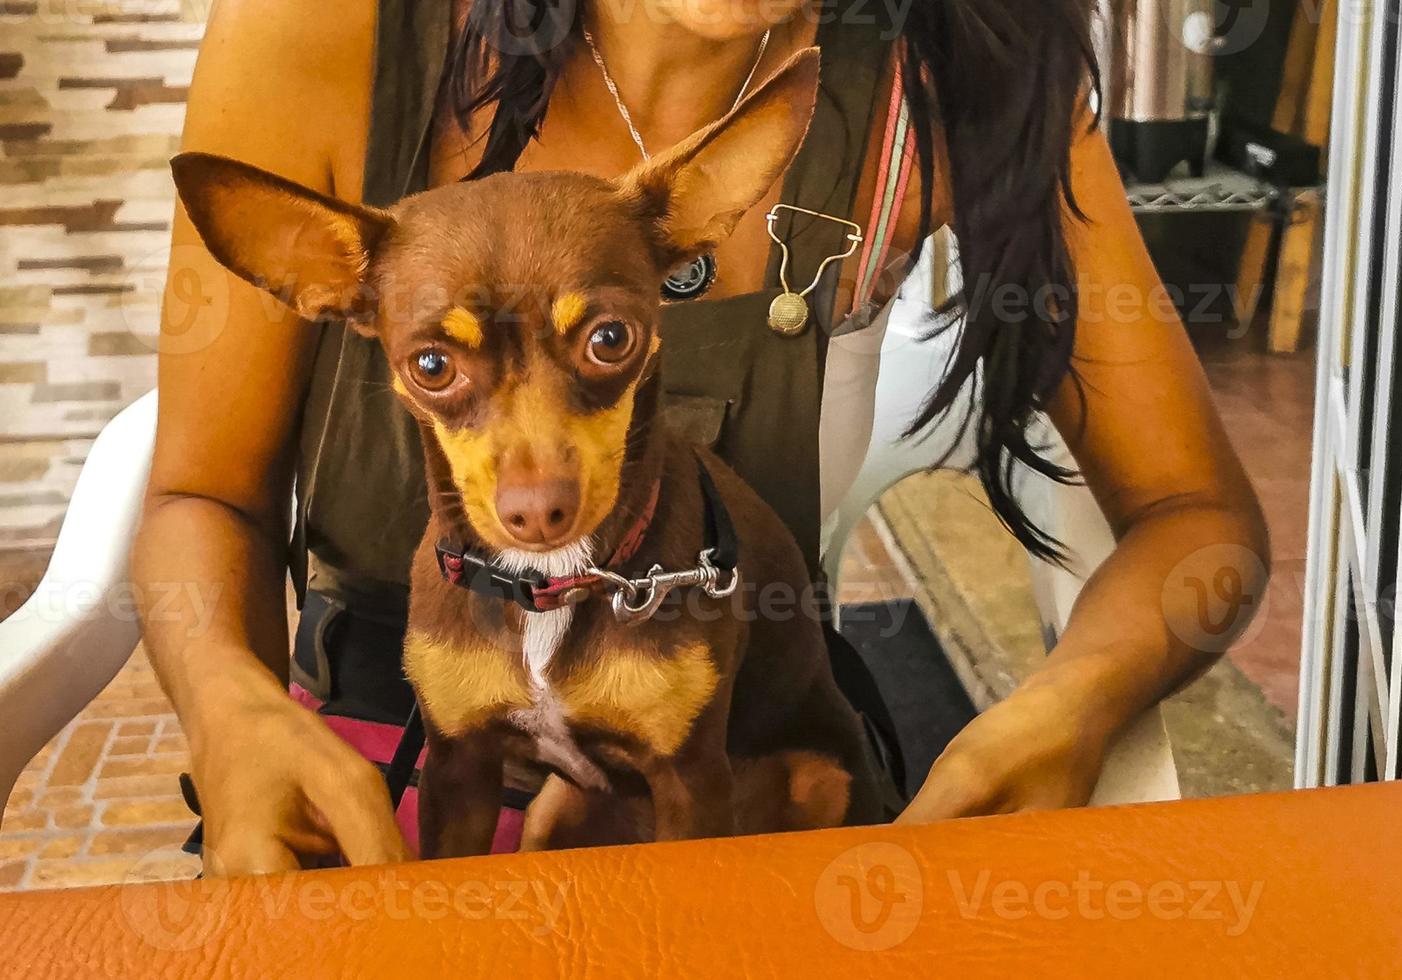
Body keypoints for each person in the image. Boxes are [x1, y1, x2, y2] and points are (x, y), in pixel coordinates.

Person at [133, 0, 1270, 876]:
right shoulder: (335, 29)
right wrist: (225, 705)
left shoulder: (950, 83)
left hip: (725, 752)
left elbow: (1196, 520)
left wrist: (1065, 708)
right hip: (387, 752)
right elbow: (202, 493)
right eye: (440, 366)